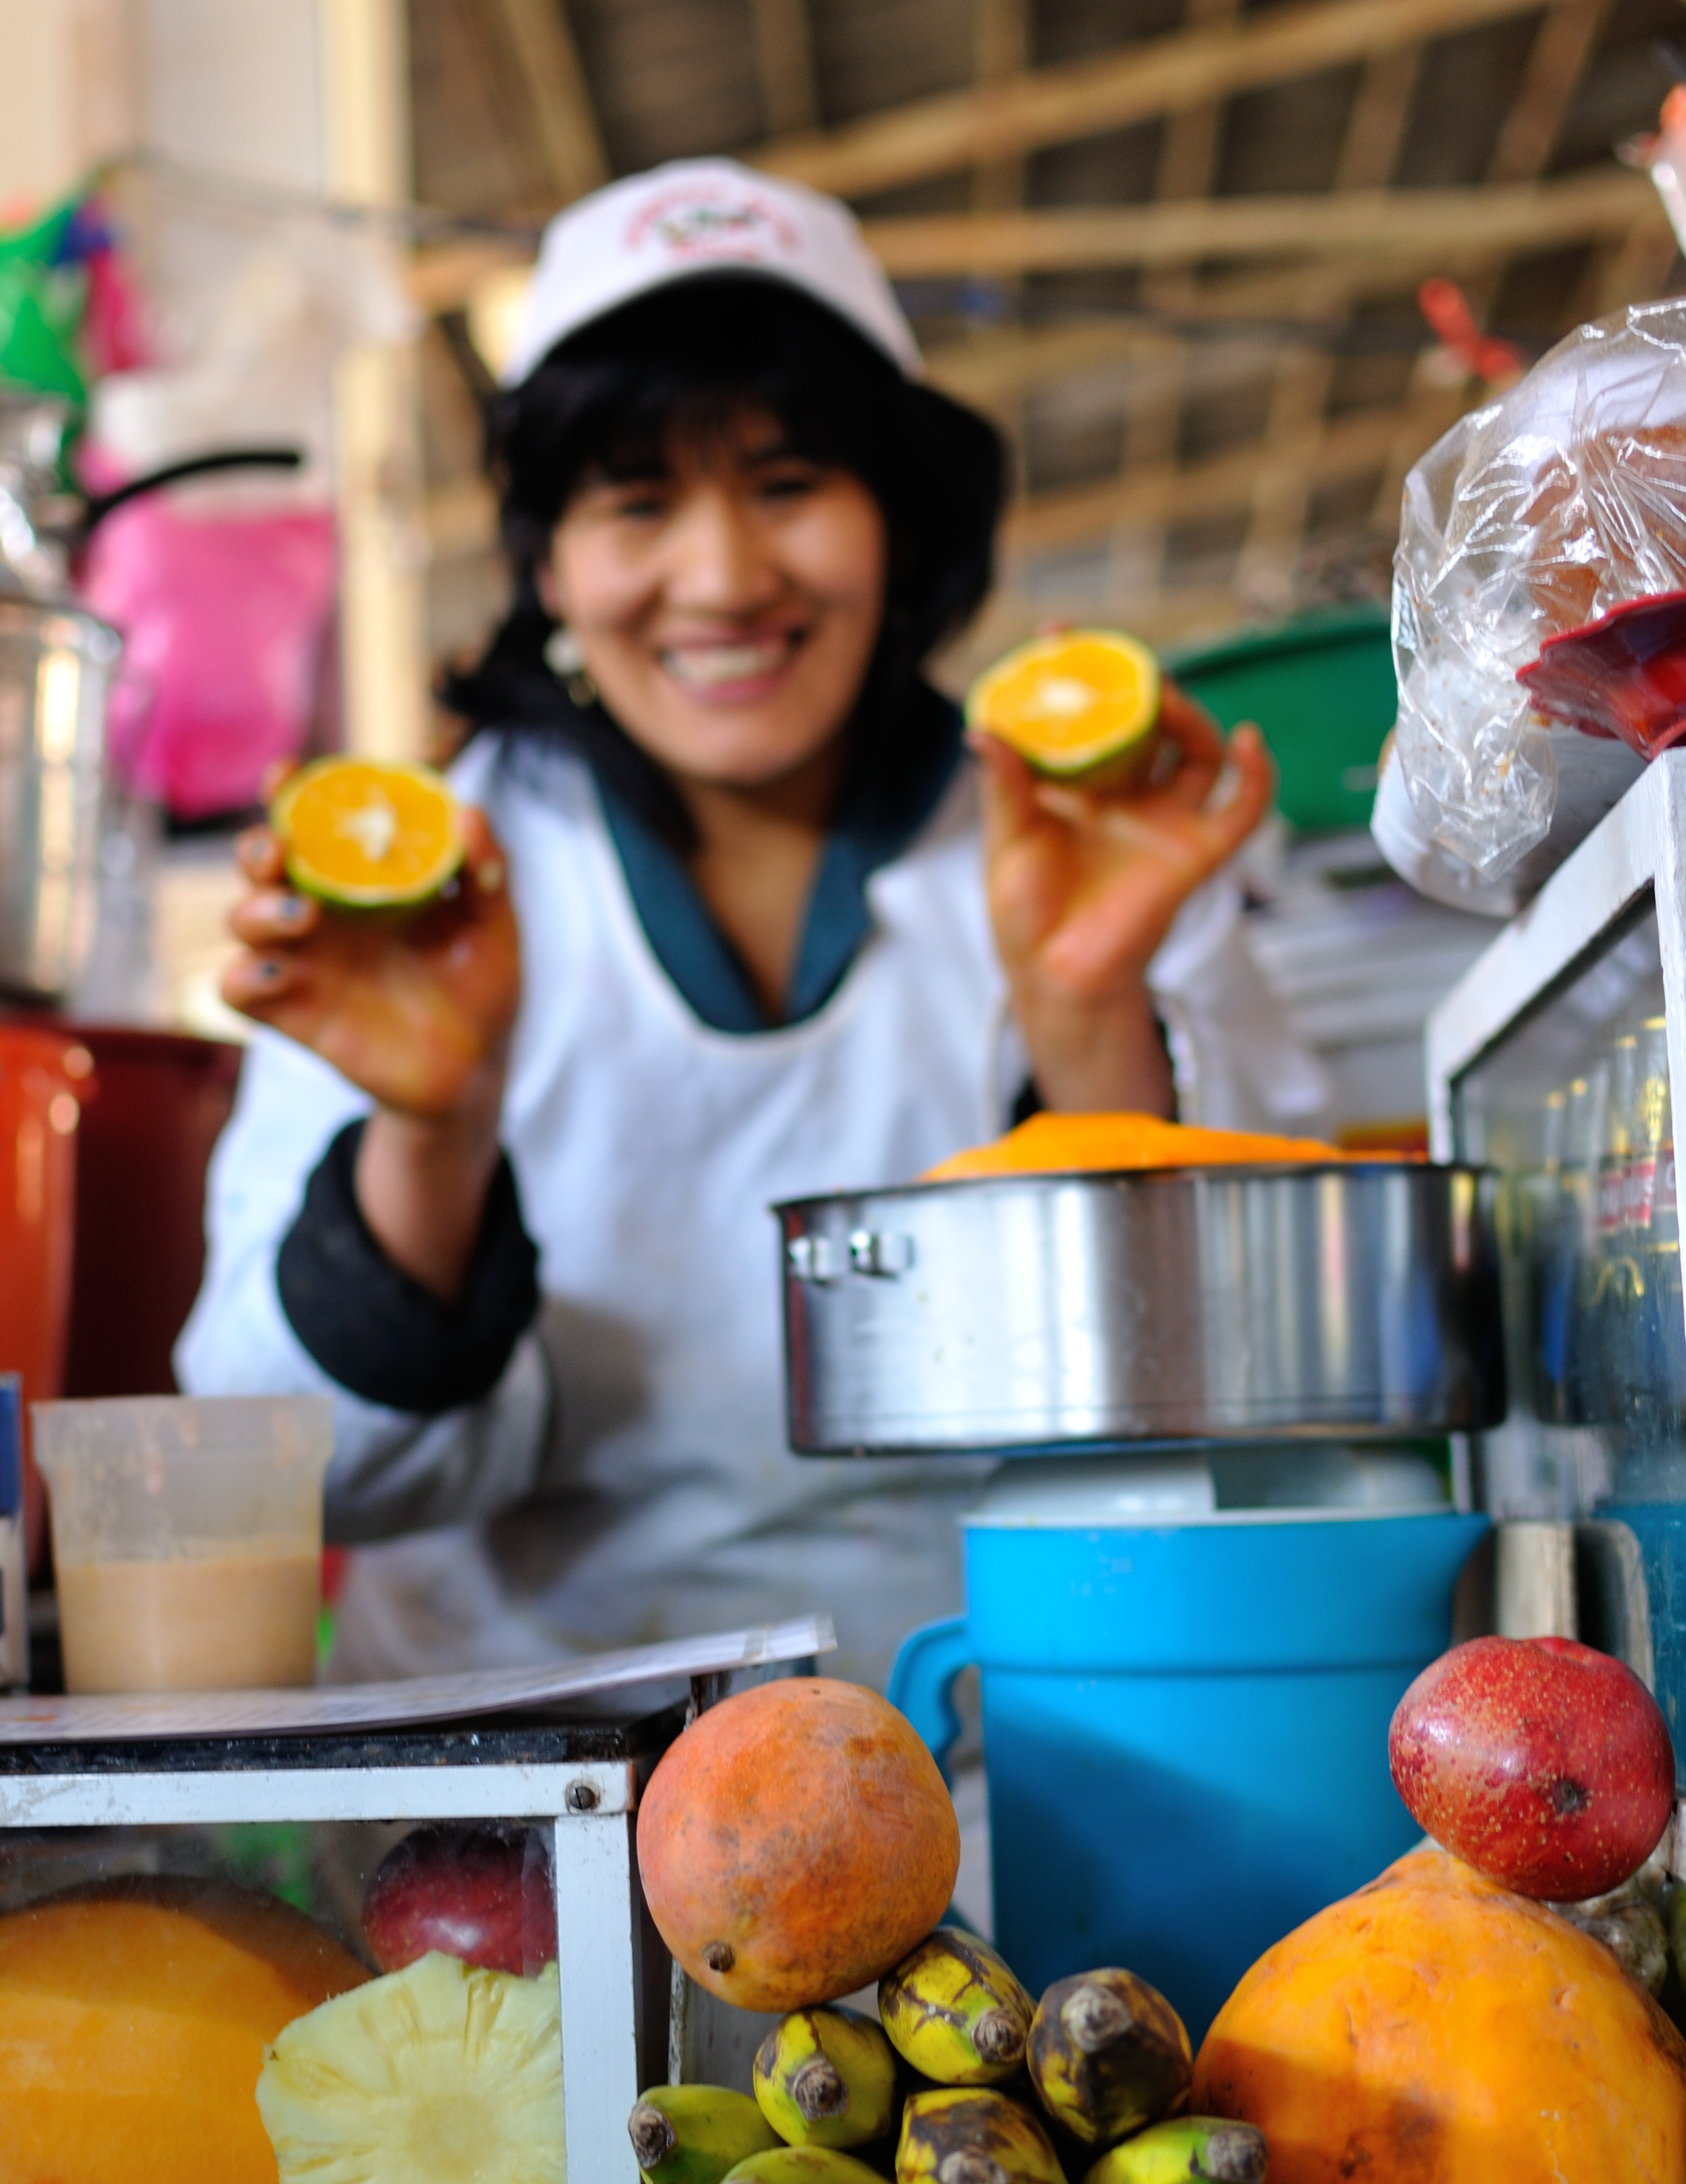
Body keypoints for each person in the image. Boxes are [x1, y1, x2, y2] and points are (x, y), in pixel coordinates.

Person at [178, 158, 1321, 1696]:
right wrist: (433, 1135)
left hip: (1000, 1781)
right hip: (532, 1806)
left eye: (787, 486)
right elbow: (281, 1474)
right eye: (636, 503)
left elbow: (1266, 1414)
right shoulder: (426, 896)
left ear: (897, 521)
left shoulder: (1080, 846)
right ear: (547, 565)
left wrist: (1084, 1020)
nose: (719, 579)